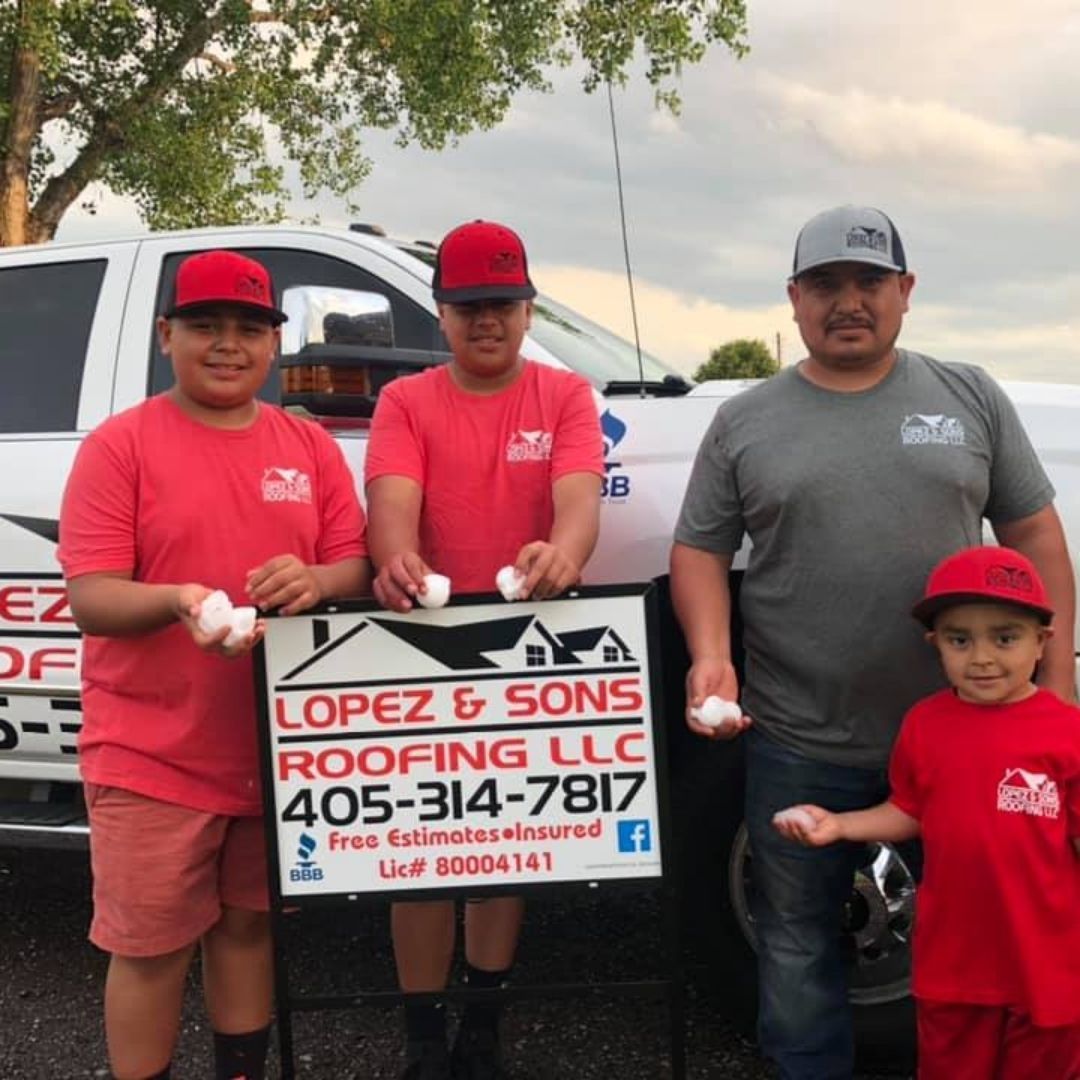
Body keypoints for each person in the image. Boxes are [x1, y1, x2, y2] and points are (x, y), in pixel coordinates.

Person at [669, 205, 1076, 1079]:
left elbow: (1036, 533)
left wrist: (1060, 675)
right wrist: (712, 654)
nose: (847, 302)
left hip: (965, 739)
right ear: (793, 299)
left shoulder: (968, 395)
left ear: (905, 291)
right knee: (794, 944)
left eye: (868, 282)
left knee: (1000, 936)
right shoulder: (745, 419)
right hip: (795, 736)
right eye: (825, 285)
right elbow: (698, 548)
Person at [58, 249, 370, 1080]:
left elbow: (356, 567)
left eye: (249, 329)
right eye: (206, 326)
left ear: (274, 347)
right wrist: (175, 601)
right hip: (150, 753)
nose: (228, 345)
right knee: (150, 949)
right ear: (167, 335)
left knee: (247, 926)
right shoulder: (119, 447)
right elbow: (91, 596)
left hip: (275, 750)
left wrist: (317, 579)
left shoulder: (307, 446)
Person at [364, 219, 604, 1080]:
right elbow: (392, 500)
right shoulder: (407, 400)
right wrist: (396, 555)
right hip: (424, 641)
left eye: (501, 303)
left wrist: (565, 553)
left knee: (504, 842)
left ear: (529, 308)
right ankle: (424, 1037)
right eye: (467, 307)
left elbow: (578, 500)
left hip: (529, 643)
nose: (485, 321)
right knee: (422, 852)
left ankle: (485, 1026)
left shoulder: (565, 397)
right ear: (440, 314)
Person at [773, 545, 1080, 1079]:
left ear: (1042, 642)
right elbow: (910, 810)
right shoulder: (925, 724)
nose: (982, 657)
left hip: (1048, 962)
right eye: (961, 639)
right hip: (953, 965)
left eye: (1004, 637)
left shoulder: (1066, 732)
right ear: (935, 643)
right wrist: (841, 825)